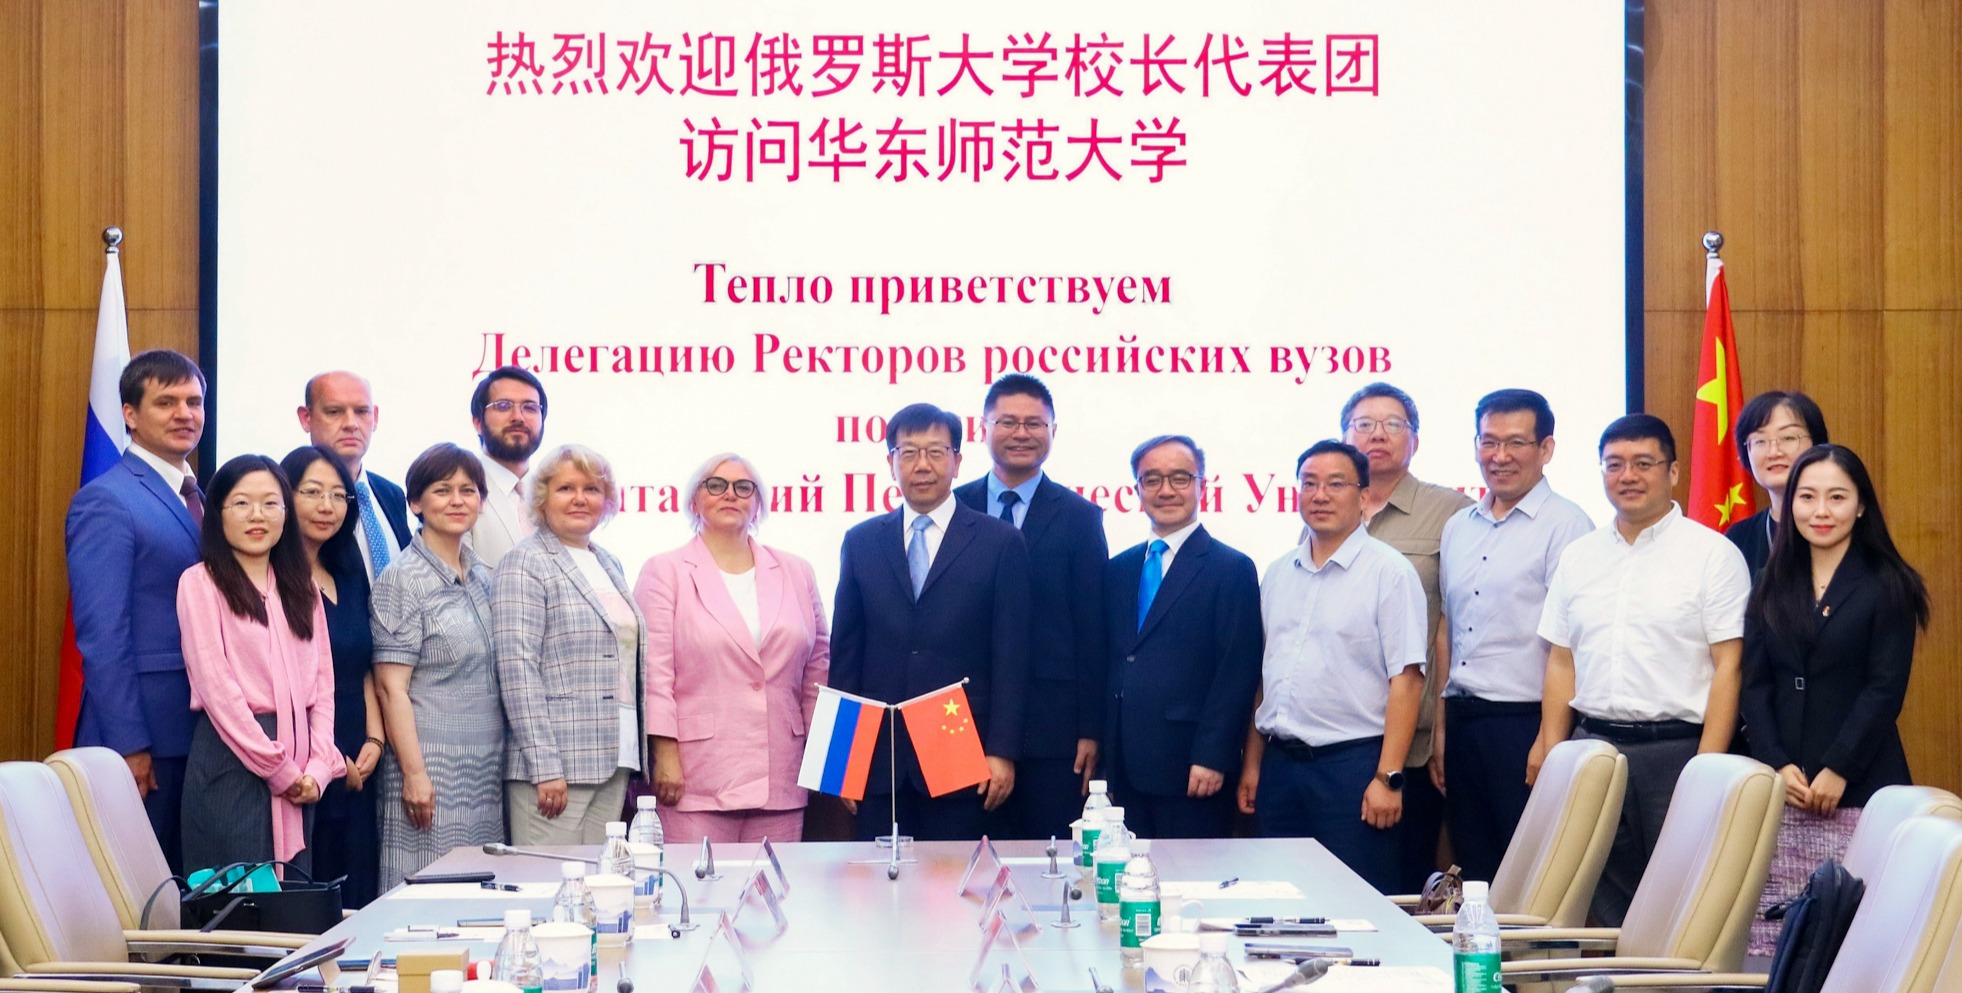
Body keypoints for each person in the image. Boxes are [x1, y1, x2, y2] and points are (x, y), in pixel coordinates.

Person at [1533, 414, 1751, 925]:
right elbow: (1561, 659)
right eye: (1614, 465)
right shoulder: (1579, 556)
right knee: (1598, 894)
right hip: (1591, 747)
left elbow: (1730, 666)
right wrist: (1551, 748)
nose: (1627, 476)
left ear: (1673, 472)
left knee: (1681, 901)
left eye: (1643, 463)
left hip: (1676, 754)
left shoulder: (1713, 555)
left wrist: (1706, 767)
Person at [1741, 444, 1927, 955]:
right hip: (1783, 788)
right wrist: (1776, 762)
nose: (1820, 511)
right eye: (1807, 497)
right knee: (1778, 943)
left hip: (1863, 785)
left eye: (1837, 497)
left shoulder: (1889, 584)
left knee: (1862, 942)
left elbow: (1884, 689)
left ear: (1861, 505)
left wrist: (1840, 767)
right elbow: (1754, 684)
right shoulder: (1770, 581)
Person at [830, 403, 1032, 841]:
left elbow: (1012, 657)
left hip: (961, 750)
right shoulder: (861, 541)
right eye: (908, 452)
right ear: (891, 464)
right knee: (878, 879)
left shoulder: (999, 542)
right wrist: (842, 761)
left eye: (936, 452)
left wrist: (1002, 751)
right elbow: (846, 655)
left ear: (957, 462)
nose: (922, 465)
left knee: (953, 879)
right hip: (879, 757)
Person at [1241, 441, 1427, 891]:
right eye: (1309, 484)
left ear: (1364, 497)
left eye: (1336, 484)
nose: (1320, 495)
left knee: (1355, 902)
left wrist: (1388, 778)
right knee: (1280, 900)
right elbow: (1264, 677)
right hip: (1281, 769)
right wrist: (1253, 765)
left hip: (1352, 769)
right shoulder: (1278, 572)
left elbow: (1407, 682)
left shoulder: (1390, 573)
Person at [1435, 390, 1594, 884]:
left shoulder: (1568, 526)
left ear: (1546, 449)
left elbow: (1571, 643)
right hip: (1464, 720)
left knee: (1530, 875)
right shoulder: (1458, 527)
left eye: (1515, 443)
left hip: (1525, 725)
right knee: (1474, 869)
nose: (1499, 456)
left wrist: (1550, 738)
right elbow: (1448, 628)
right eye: (1489, 442)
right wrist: (1441, 729)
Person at [635, 453, 829, 844]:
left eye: (743, 487)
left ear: (758, 505)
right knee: (695, 884)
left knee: (771, 885)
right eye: (716, 485)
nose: (730, 494)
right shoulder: (664, 571)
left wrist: (823, 757)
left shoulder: (797, 571)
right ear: (694, 501)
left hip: (782, 774)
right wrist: (664, 753)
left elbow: (818, 666)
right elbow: (655, 672)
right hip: (695, 777)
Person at [66, 349, 207, 872]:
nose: (184, 414)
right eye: (166, 402)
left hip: (201, 734)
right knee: (140, 892)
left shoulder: (202, 496)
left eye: (194, 402)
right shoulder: (107, 500)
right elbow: (103, 635)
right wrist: (129, 745)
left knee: (188, 890)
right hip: (143, 738)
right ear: (129, 414)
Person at [954, 375, 1109, 840]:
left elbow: (1092, 628)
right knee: (965, 862)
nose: (1021, 433)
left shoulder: (1081, 518)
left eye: (1034, 424)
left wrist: (1091, 728)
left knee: (1050, 858)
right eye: (1007, 422)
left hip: (1053, 730)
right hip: (964, 723)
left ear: (1053, 432)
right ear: (983, 428)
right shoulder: (953, 508)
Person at [177, 455, 343, 873]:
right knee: (242, 900)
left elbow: (324, 684)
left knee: (295, 899)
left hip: (302, 763)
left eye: (271, 503)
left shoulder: (302, 586)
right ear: (218, 513)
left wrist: (319, 767)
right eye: (242, 503)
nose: (258, 515)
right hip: (234, 758)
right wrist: (277, 768)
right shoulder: (200, 582)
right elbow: (217, 689)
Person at [1337, 383, 1472, 891]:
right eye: (1364, 424)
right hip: (1334, 737)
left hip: (1412, 742)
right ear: (1345, 436)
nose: (1378, 435)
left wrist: (1442, 730)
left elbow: (1454, 623)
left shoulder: (1452, 512)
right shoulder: (1326, 507)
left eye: (1393, 425)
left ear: (1415, 439)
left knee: (1397, 885)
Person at [1103, 435, 1262, 839]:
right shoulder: (1118, 569)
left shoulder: (1231, 568)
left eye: (1180, 478)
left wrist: (1213, 755)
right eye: (1152, 479)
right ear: (1137, 490)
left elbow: (1237, 671)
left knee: (1189, 875)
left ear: (1202, 485)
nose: (1166, 490)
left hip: (1191, 766)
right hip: (1123, 767)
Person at [495, 444, 647, 845]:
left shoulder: (609, 562)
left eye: (591, 489)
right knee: (548, 880)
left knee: (599, 878)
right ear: (542, 498)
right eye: (566, 488)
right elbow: (517, 669)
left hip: (614, 756)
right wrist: (545, 765)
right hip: (555, 768)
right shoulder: (525, 561)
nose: (580, 498)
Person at [371, 443, 504, 887]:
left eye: (468, 490)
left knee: (479, 897)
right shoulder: (402, 579)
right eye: (443, 490)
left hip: (484, 772)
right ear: (415, 502)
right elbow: (390, 688)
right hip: (429, 770)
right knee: (426, 897)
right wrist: (414, 774)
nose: (457, 500)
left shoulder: (483, 575)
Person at [277, 444, 383, 906]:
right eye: (313, 492)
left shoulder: (349, 569)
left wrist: (375, 740)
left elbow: (363, 663)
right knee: (314, 897)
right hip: (306, 759)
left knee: (359, 894)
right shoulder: (272, 578)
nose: (327, 506)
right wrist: (334, 759)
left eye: (339, 495)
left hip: (362, 753)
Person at [297, 372, 410, 579]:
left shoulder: (392, 494)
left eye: (362, 411)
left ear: (375, 417)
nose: (351, 423)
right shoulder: (285, 494)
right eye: (334, 411)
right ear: (306, 418)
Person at [1728, 391, 1831, 576]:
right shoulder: (1739, 538)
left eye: (1788, 438)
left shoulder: (1838, 526)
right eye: (1760, 441)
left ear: (1817, 444)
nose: (1774, 452)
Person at [468, 366, 548, 567]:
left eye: (530, 407)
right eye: (503, 406)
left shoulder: (555, 493)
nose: (518, 417)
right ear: (478, 423)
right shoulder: (458, 492)